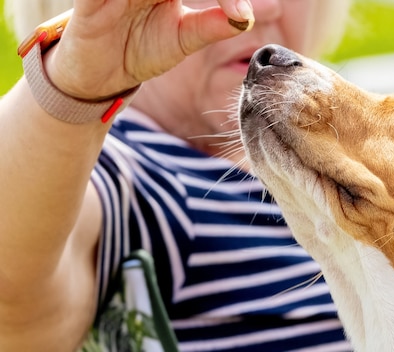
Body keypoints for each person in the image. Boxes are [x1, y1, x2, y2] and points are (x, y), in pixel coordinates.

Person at [0, 0, 352, 351]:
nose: (263, 8)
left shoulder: (350, 148)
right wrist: (72, 88)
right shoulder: (145, 177)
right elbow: (14, 295)